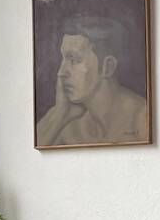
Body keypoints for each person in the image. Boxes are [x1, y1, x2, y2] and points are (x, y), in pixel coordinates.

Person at [36, 15, 148, 147]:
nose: (61, 73)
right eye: (63, 59)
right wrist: (60, 115)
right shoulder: (64, 118)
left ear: (108, 67)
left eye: (74, 60)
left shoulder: (142, 118)